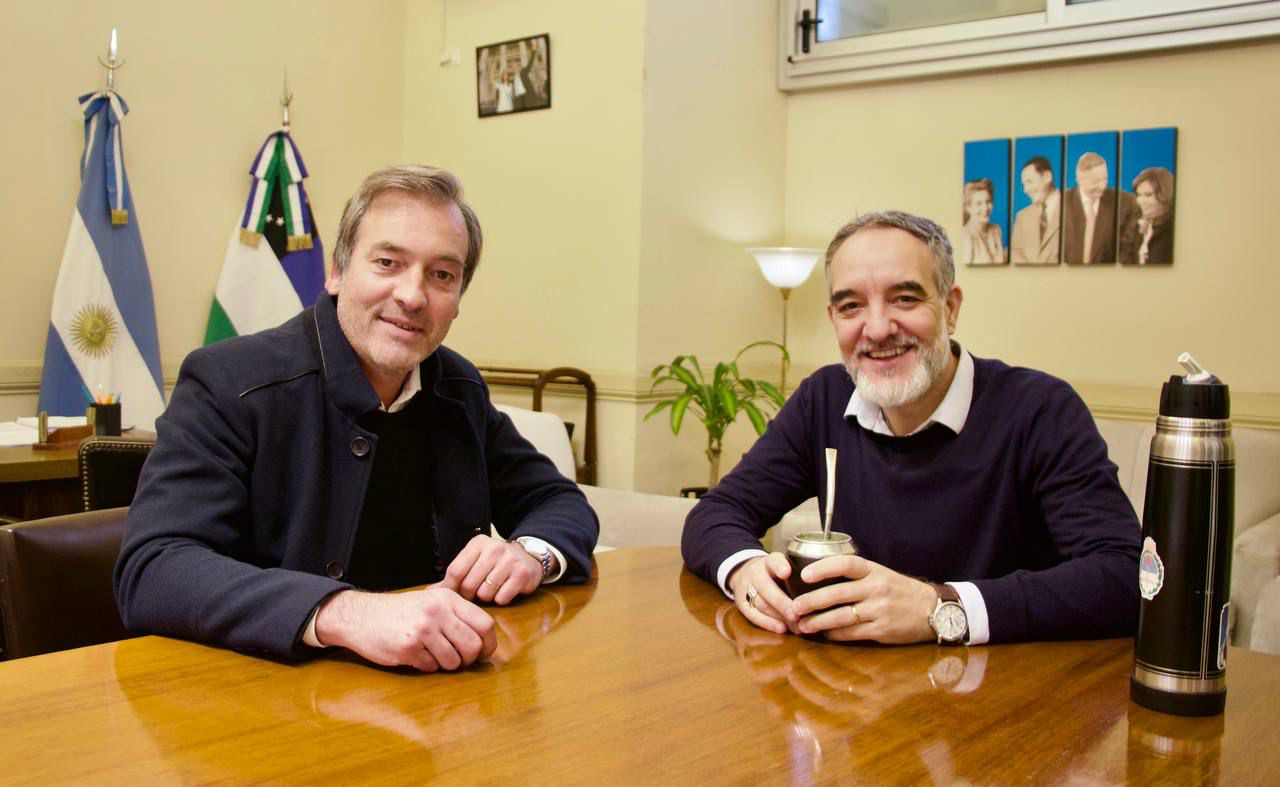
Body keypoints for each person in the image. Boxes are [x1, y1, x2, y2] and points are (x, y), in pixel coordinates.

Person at [115, 165, 598, 671]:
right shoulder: (228, 382)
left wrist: (529, 554)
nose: (413, 296)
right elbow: (153, 569)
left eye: (442, 275)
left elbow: (556, 500)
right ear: (338, 272)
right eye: (388, 262)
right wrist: (344, 612)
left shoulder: (455, 386)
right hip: (267, 701)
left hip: (442, 696)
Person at [681, 210, 1140, 646]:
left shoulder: (1041, 410)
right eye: (851, 306)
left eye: (905, 298)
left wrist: (938, 608)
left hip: (1003, 701)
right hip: (857, 700)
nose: (877, 329)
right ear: (833, 319)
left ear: (951, 307)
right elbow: (717, 512)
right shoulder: (823, 397)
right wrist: (746, 570)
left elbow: (1123, 577)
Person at [1062, 152, 1138, 265]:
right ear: (1079, 179)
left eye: (1105, 179)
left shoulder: (1125, 203)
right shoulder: (1061, 201)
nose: (1102, 186)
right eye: (1096, 181)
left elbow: (1127, 252)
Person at [1009, 157, 1061, 264]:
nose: (1025, 190)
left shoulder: (1073, 204)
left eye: (1029, 182)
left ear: (1047, 177)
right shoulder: (1022, 216)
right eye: (1024, 185)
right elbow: (1015, 251)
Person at [1124, 167, 1175, 265]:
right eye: (1139, 195)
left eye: (1148, 195)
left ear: (1165, 195)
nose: (1141, 201)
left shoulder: (1172, 229)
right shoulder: (1135, 223)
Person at [957, 179, 1005, 265]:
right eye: (979, 203)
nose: (985, 208)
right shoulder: (966, 235)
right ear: (968, 207)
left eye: (988, 202)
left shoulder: (996, 229)